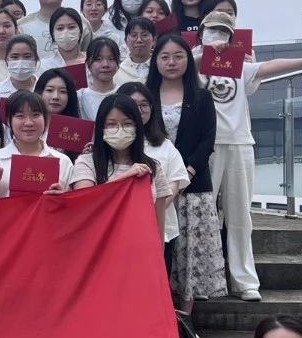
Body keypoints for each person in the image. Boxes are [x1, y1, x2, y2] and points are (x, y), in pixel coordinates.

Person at [196, 9, 302, 301]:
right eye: (212, 30)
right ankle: (202, 280)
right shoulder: (194, 64)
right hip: (206, 146)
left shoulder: (239, 66)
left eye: (223, 32)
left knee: (240, 215)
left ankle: (244, 281)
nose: (217, 36)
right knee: (203, 216)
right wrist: (203, 52)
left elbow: (270, 67)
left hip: (240, 143)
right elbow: (175, 66)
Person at [147, 33, 226, 320]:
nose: (172, 62)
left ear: (188, 61)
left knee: (190, 251)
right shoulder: (146, 97)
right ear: (155, 61)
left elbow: (207, 140)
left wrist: (187, 173)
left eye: (178, 56)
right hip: (154, 186)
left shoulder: (202, 97)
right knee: (160, 250)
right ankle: (158, 311)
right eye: (165, 57)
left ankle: (185, 317)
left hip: (193, 186)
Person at [117, 82, 191, 276]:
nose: (140, 110)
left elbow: (174, 184)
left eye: (144, 105)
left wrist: (152, 208)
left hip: (159, 226)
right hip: (119, 228)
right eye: (133, 104)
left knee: (156, 280)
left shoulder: (164, 146)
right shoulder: (111, 143)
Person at [70, 94, 170, 236]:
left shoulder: (152, 167)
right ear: (101, 128)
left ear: (137, 126)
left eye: (127, 123)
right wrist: (125, 177)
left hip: (139, 243)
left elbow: (158, 224)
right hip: (101, 242)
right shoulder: (86, 163)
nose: (119, 129)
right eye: (111, 124)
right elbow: (86, 203)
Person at [0, 89, 72, 198]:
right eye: (20, 116)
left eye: (35, 115)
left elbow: (72, 205)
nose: (29, 123)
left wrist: (63, 197)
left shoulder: (63, 161)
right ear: (8, 121)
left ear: (45, 119)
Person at [78, 37, 122, 119]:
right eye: (98, 59)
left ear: (118, 63)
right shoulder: (79, 98)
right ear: (87, 64)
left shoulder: (124, 93)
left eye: (111, 59)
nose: (105, 64)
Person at [39, 7, 88, 72]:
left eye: (71, 27)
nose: (66, 32)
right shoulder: (44, 66)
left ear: (80, 32)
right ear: (53, 34)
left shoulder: (91, 61)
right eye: (60, 28)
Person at [0, 34, 41, 99]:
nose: (20, 62)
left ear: (36, 59)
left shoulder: (46, 88)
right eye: (15, 57)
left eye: (27, 56)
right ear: (7, 59)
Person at [120, 16, 157, 82]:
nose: (139, 40)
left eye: (144, 35)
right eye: (134, 35)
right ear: (126, 41)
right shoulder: (119, 70)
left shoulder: (160, 66)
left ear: (154, 40)